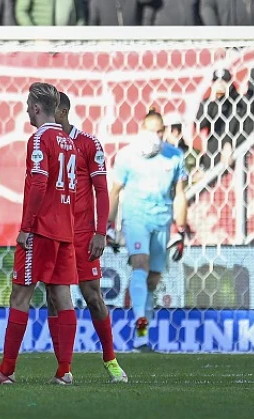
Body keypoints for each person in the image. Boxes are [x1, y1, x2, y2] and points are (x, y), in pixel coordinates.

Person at [0, 82, 78, 385]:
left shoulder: (39, 140)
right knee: (61, 295)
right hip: (65, 229)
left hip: (42, 229)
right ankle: (64, 370)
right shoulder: (68, 141)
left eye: (27, 105)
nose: (26, 110)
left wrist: (27, 227)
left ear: (35, 108)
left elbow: (38, 185)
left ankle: (6, 369)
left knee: (20, 294)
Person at [47, 92, 127, 383]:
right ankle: (63, 368)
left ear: (64, 111)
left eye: (50, 109)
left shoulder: (88, 143)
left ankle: (111, 360)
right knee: (54, 299)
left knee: (93, 296)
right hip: (54, 233)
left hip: (82, 235)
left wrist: (100, 232)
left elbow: (102, 190)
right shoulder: (46, 143)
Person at [107, 109, 189, 351]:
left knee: (153, 279)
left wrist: (180, 229)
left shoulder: (175, 157)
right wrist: (109, 227)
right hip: (135, 218)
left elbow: (180, 195)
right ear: (141, 131)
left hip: (162, 220)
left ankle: (143, 332)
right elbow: (115, 191)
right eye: (150, 131)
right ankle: (141, 329)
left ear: (164, 133)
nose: (155, 136)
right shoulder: (126, 156)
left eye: (159, 131)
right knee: (140, 265)